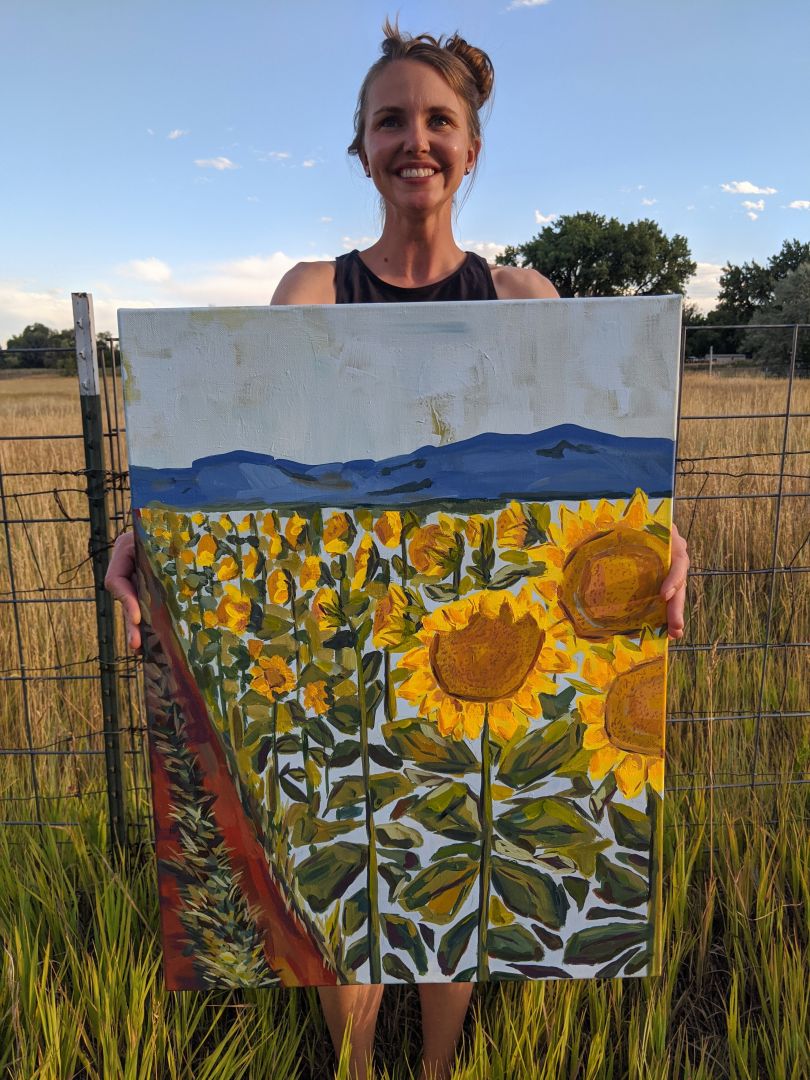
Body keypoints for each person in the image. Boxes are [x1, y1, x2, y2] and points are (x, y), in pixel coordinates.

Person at [106, 21, 689, 1080]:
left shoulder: (523, 300)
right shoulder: (312, 293)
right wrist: (145, 536)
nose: (414, 139)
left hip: (481, 617)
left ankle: (437, 1067)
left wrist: (659, 540)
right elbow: (239, 458)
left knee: (453, 862)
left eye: (437, 121)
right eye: (390, 121)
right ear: (361, 148)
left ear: (471, 148)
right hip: (336, 619)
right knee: (345, 854)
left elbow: (597, 479)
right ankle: (360, 1064)